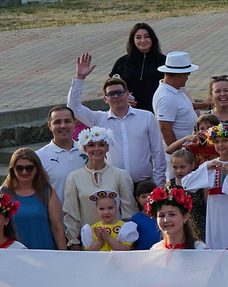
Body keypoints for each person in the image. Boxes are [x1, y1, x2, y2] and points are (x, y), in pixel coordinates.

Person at [68, 56, 170, 192]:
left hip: (144, 185)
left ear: (127, 94)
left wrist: (158, 184)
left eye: (120, 92)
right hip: (113, 185)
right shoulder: (99, 119)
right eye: (111, 94)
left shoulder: (146, 117)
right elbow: (73, 108)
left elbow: (158, 152)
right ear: (105, 99)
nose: (116, 97)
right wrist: (80, 78)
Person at [111, 21, 167, 109]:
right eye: (138, 37)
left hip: (159, 110)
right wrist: (123, 98)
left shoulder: (164, 61)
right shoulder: (122, 62)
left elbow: (177, 87)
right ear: (133, 40)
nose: (143, 40)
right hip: (130, 112)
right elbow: (111, 88)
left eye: (147, 36)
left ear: (153, 38)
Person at [153, 51, 200, 146]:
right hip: (178, 156)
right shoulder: (166, 97)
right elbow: (165, 129)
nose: (187, 78)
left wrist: (203, 104)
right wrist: (178, 151)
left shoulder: (175, 89)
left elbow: (182, 108)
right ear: (180, 75)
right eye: (187, 75)